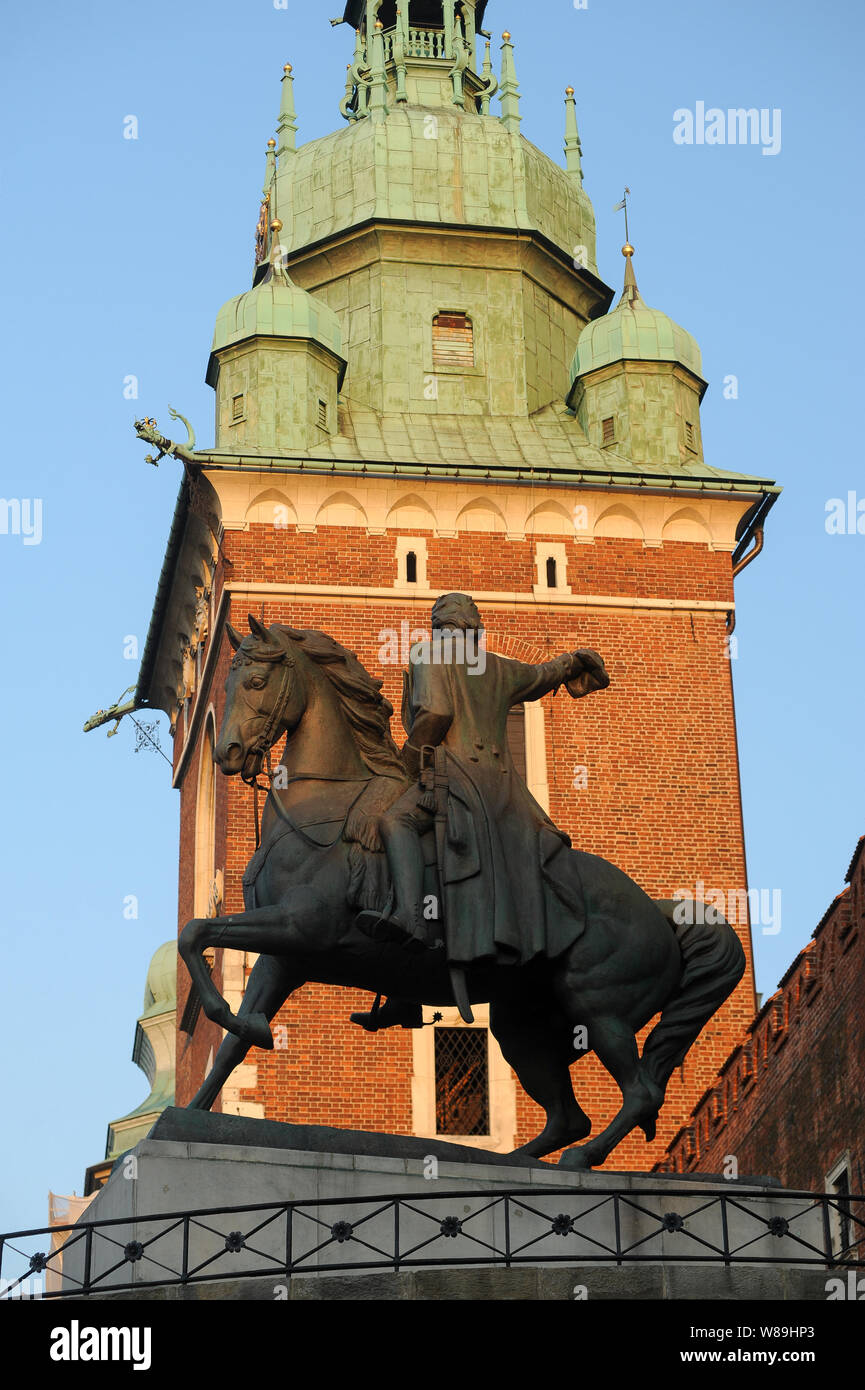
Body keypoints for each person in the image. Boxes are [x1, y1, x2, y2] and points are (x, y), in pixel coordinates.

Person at [351, 594, 610, 1032]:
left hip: (453, 780)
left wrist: (407, 760)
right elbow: (543, 675)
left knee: (394, 822)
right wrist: (574, 663)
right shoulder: (497, 666)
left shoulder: (428, 653)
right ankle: (408, 995)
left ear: (439, 626)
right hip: (505, 793)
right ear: (473, 628)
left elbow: (435, 712)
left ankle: (411, 919)